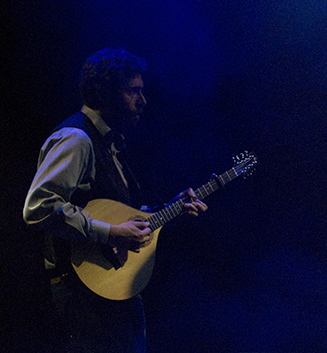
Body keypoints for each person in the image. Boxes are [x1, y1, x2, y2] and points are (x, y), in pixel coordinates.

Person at [23, 48, 208, 353]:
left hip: (109, 291)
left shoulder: (111, 143)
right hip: (83, 296)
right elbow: (39, 206)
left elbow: (118, 215)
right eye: (133, 91)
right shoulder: (77, 139)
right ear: (105, 92)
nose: (142, 100)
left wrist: (168, 210)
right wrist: (110, 233)